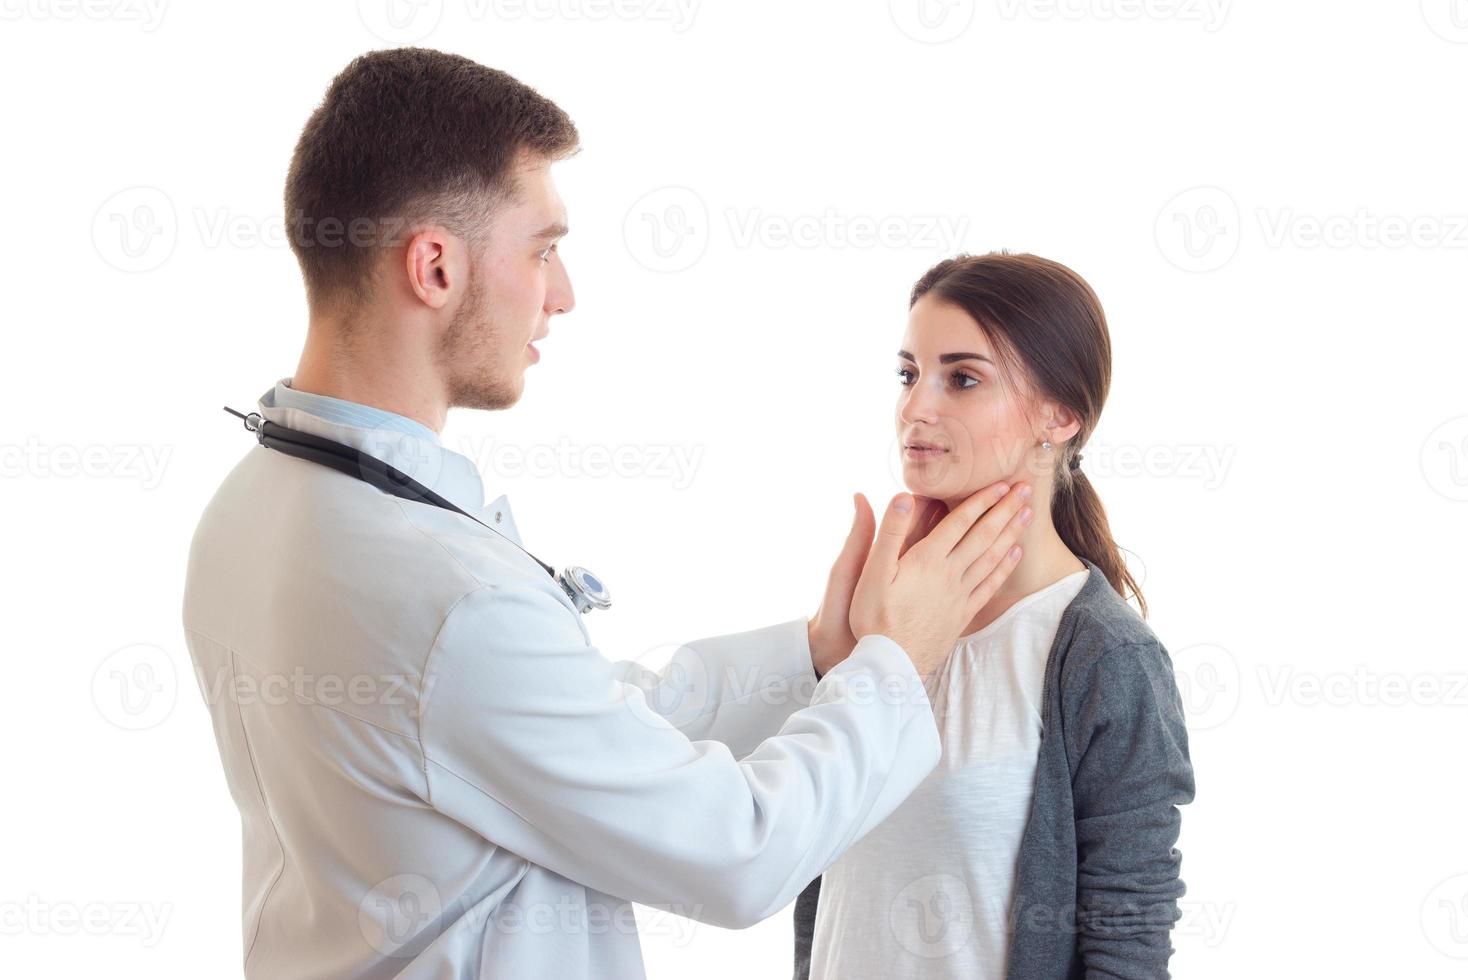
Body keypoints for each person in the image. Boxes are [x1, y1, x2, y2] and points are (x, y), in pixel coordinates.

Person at [181, 49, 1032, 979]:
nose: (563, 294)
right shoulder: (448, 602)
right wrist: (897, 662)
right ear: (434, 265)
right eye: (544, 249)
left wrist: (815, 658)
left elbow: (563, 720)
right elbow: (740, 852)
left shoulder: (247, 510)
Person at [792, 252, 1196, 980]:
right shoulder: (874, 624)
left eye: (963, 378)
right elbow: (812, 869)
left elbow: (1130, 939)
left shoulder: (1104, 658)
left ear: (1060, 415)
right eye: (909, 373)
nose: (916, 407)